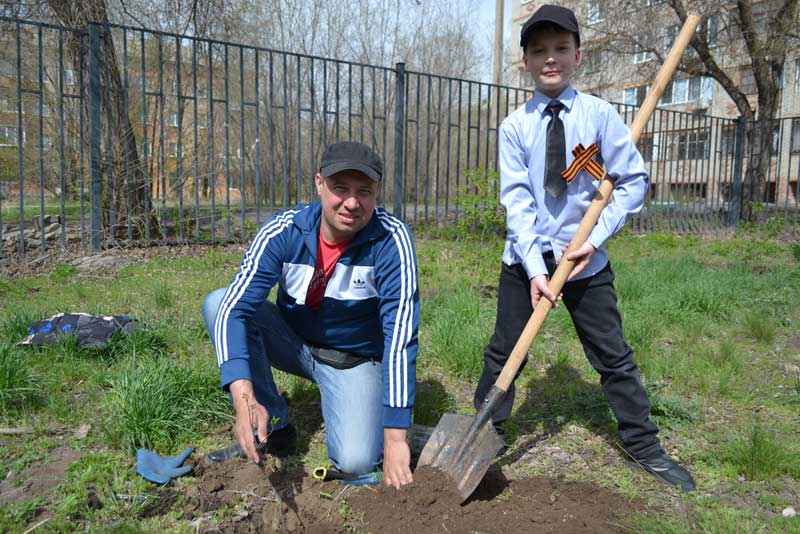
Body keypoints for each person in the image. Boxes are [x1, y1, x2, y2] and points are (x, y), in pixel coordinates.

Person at [473, 5, 696, 491]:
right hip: (527, 259)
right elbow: (517, 202)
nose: (549, 59)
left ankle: (643, 445)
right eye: (538, 51)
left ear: (577, 55)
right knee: (503, 352)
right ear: (526, 63)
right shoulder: (514, 128)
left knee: (612, 354)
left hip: (586, 260)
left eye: (559, 49)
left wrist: (593, 242)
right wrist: (535, 269)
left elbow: (632, 182)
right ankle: (483, 433)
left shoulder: (599, 116)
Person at [202, 141, 419, 489]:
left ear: (377, 191)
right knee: (219, 303)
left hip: (355, 360)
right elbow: (235, 310)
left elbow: (400, 338)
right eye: (340, 189)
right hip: (295, 344)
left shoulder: (391, 241)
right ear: (319, 183)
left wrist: (395, 438)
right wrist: (244, 399)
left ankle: (367, 410)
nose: (351, 203)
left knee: (356, 460)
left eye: (364, 191)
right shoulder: (284, 231)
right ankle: (272, 423)